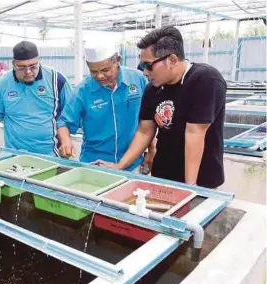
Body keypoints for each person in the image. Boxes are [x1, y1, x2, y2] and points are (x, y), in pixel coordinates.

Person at [95, 26, 226, 188]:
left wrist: (190, 187)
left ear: (171, 60)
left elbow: (195, 134)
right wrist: (120, 165)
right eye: (141, 66)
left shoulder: (205, 79)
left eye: (148, 66)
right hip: (163, 175)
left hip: (201, 180)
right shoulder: (153, 88)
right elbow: (145, 131)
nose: (144, 72)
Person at [57, 45, 154, 172]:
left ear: (118, 60)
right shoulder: (83, 90)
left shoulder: (138, 79)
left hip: (133, 164)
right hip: (95, 164)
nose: (100, 76)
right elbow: (64, 122)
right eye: (94, 71)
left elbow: (149, 121)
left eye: (105, 70)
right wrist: (65, 141)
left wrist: (152, 148)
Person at [0, 40, 73, 155]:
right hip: (15, 154)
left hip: (51, 154)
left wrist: (65, 140)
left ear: (39, 60)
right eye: (22, 67)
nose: (28, 71)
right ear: (14, 64)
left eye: (33, 66)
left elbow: (69, 114)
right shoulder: (1, 85)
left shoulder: (57, 80)